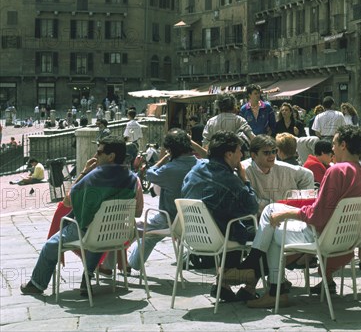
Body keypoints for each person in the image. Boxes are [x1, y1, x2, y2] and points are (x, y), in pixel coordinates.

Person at [225, 125, 361, 308]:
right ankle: (266, 282)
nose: (332, 148)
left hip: (320, 236)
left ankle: (264, 279)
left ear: (343, 145)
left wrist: (288, 212)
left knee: (271, 219)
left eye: (334, 143)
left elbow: (318, 215)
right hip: (344, 238)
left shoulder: (337, 171)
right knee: (272, 215)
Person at [20, 136, 140, 296]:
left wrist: (84, 171)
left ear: (111, 156)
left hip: (90, 233)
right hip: (118, 234)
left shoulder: (94, 176)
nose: (96, 155)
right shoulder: (132, 178)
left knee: (50, 246)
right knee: (97, 235)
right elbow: (138, 212)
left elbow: (68, 201)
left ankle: (36, 283)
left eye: (99, 152)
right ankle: (88, 275)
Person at [181, 130, 259, 301]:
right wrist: (244, 179)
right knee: (265, 234)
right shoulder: (228, 179)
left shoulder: (196, 169)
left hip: (195, 235)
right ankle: (248, 284)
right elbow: (252, 206)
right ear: (229, 154)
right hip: (219, 235)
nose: (242, 154)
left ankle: (222, 286)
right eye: (239, 151)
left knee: (233, 222)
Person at [128, 129, 197, 271]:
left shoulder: (169, 168)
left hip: (169, 219)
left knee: (135, 229)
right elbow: (208, 156)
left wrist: (164, 158)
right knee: (150, 234)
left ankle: (127, 263)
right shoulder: (200, 165)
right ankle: (131, 263)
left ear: (170, 150)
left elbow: (150, 174)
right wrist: (192, 143)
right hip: (193, 220)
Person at [242, 135, 314, 212]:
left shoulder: (283, 168)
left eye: (274, 151)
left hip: (287, 215)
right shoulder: (243, 170)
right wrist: (273, 206)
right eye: (266, 153)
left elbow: (308, 175)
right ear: (254, 155)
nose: (272, 156)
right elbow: (248, 202)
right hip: (258, 218)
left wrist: (299, 203)